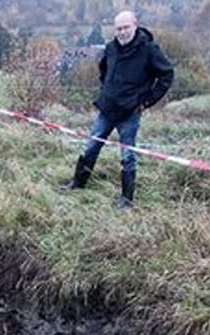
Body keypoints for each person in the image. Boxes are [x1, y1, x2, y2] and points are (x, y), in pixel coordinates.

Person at [64, 11, 174, 208]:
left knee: (127, 155)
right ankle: (78, 183)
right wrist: (106, 89)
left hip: (130, 112)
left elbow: (167, 74)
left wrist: (147, 100)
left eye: (126, 27)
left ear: (135, 25)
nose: (122, 32)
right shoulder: (111, 48)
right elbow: (103, 69)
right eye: (118, 29)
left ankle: (126, 199)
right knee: (91, 146)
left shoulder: (149, 49)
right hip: (106, 109)